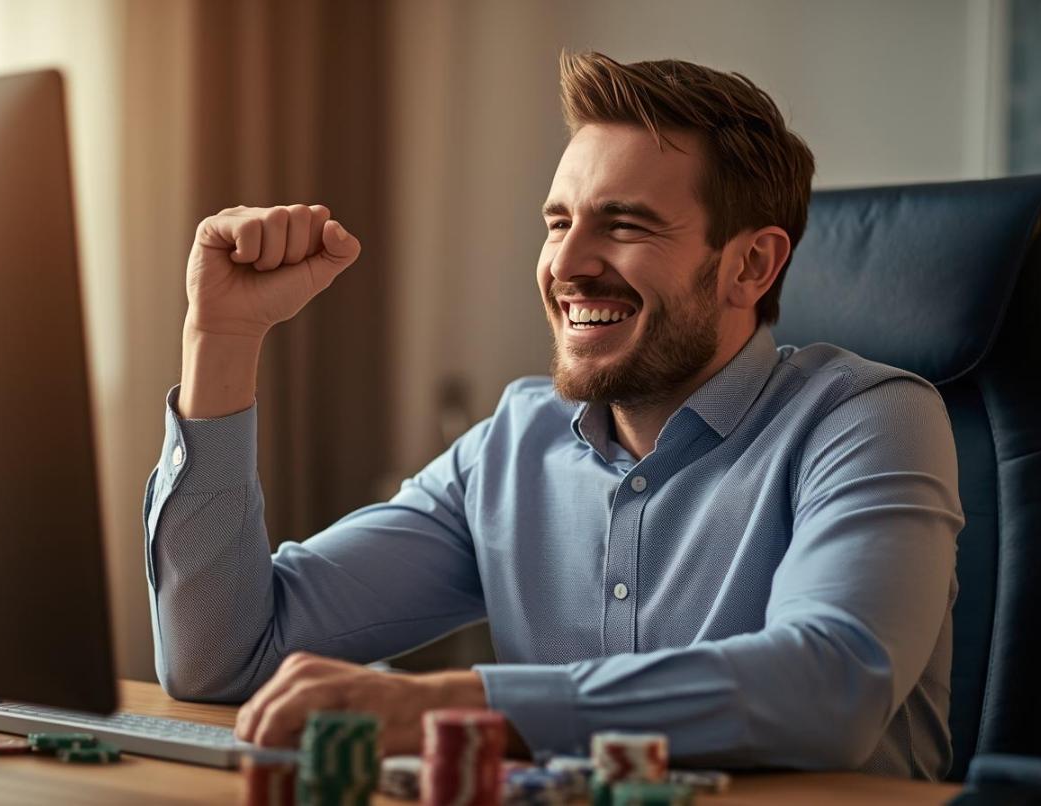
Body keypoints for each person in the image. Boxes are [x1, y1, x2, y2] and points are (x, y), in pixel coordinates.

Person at [145, 51, 964, 780]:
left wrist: (463, 705)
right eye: (559, 222)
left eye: (625, 224)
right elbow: (222, 659)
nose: (566, 264)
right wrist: (222, 339)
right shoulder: (512, 444)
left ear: (751, 264)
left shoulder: (866, 419)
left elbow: (831, 687)